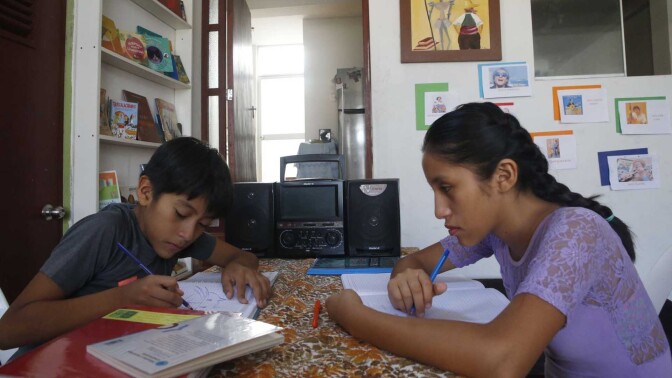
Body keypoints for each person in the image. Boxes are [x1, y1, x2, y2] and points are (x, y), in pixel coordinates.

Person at [326, 103, 672, 376]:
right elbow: (414, 261)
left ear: (503, 176)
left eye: (447, 188)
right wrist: (407, 277)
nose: (438, 210)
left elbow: (501, 360)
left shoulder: (576, 231)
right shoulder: (496, 233)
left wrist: (355, 317)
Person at [0, 137, 272, 360]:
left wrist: (238, 265)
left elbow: (242, 255)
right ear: (145, 192)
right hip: (50, 363)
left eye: (202, 224)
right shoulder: (105, 231)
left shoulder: (179, 235)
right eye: (180, 213)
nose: (188, 233)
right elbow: (9, 330)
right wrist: (122, 299)